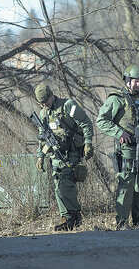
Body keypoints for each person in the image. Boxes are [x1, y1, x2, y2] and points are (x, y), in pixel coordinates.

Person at [96, 65, 139, 228]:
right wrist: (119, 133)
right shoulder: (116, 99)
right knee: (126, 187)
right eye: (135, 81)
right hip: (127, 151)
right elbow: (101, 121)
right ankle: (122, 222)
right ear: (127, 81)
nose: (138, 85)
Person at [34, 84, 94, 231]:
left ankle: (72, 216)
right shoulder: (43, 114)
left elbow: (86, 123)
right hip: (55, 154)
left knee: (65, 184)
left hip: (72, 152)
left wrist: (88, 143)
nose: (45, 104)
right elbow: (42, 138)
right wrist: (40, 156)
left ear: (52, 95)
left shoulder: (68, 105)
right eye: (42, 102)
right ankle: (67, 216)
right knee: (57, 187)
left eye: (46, 100)